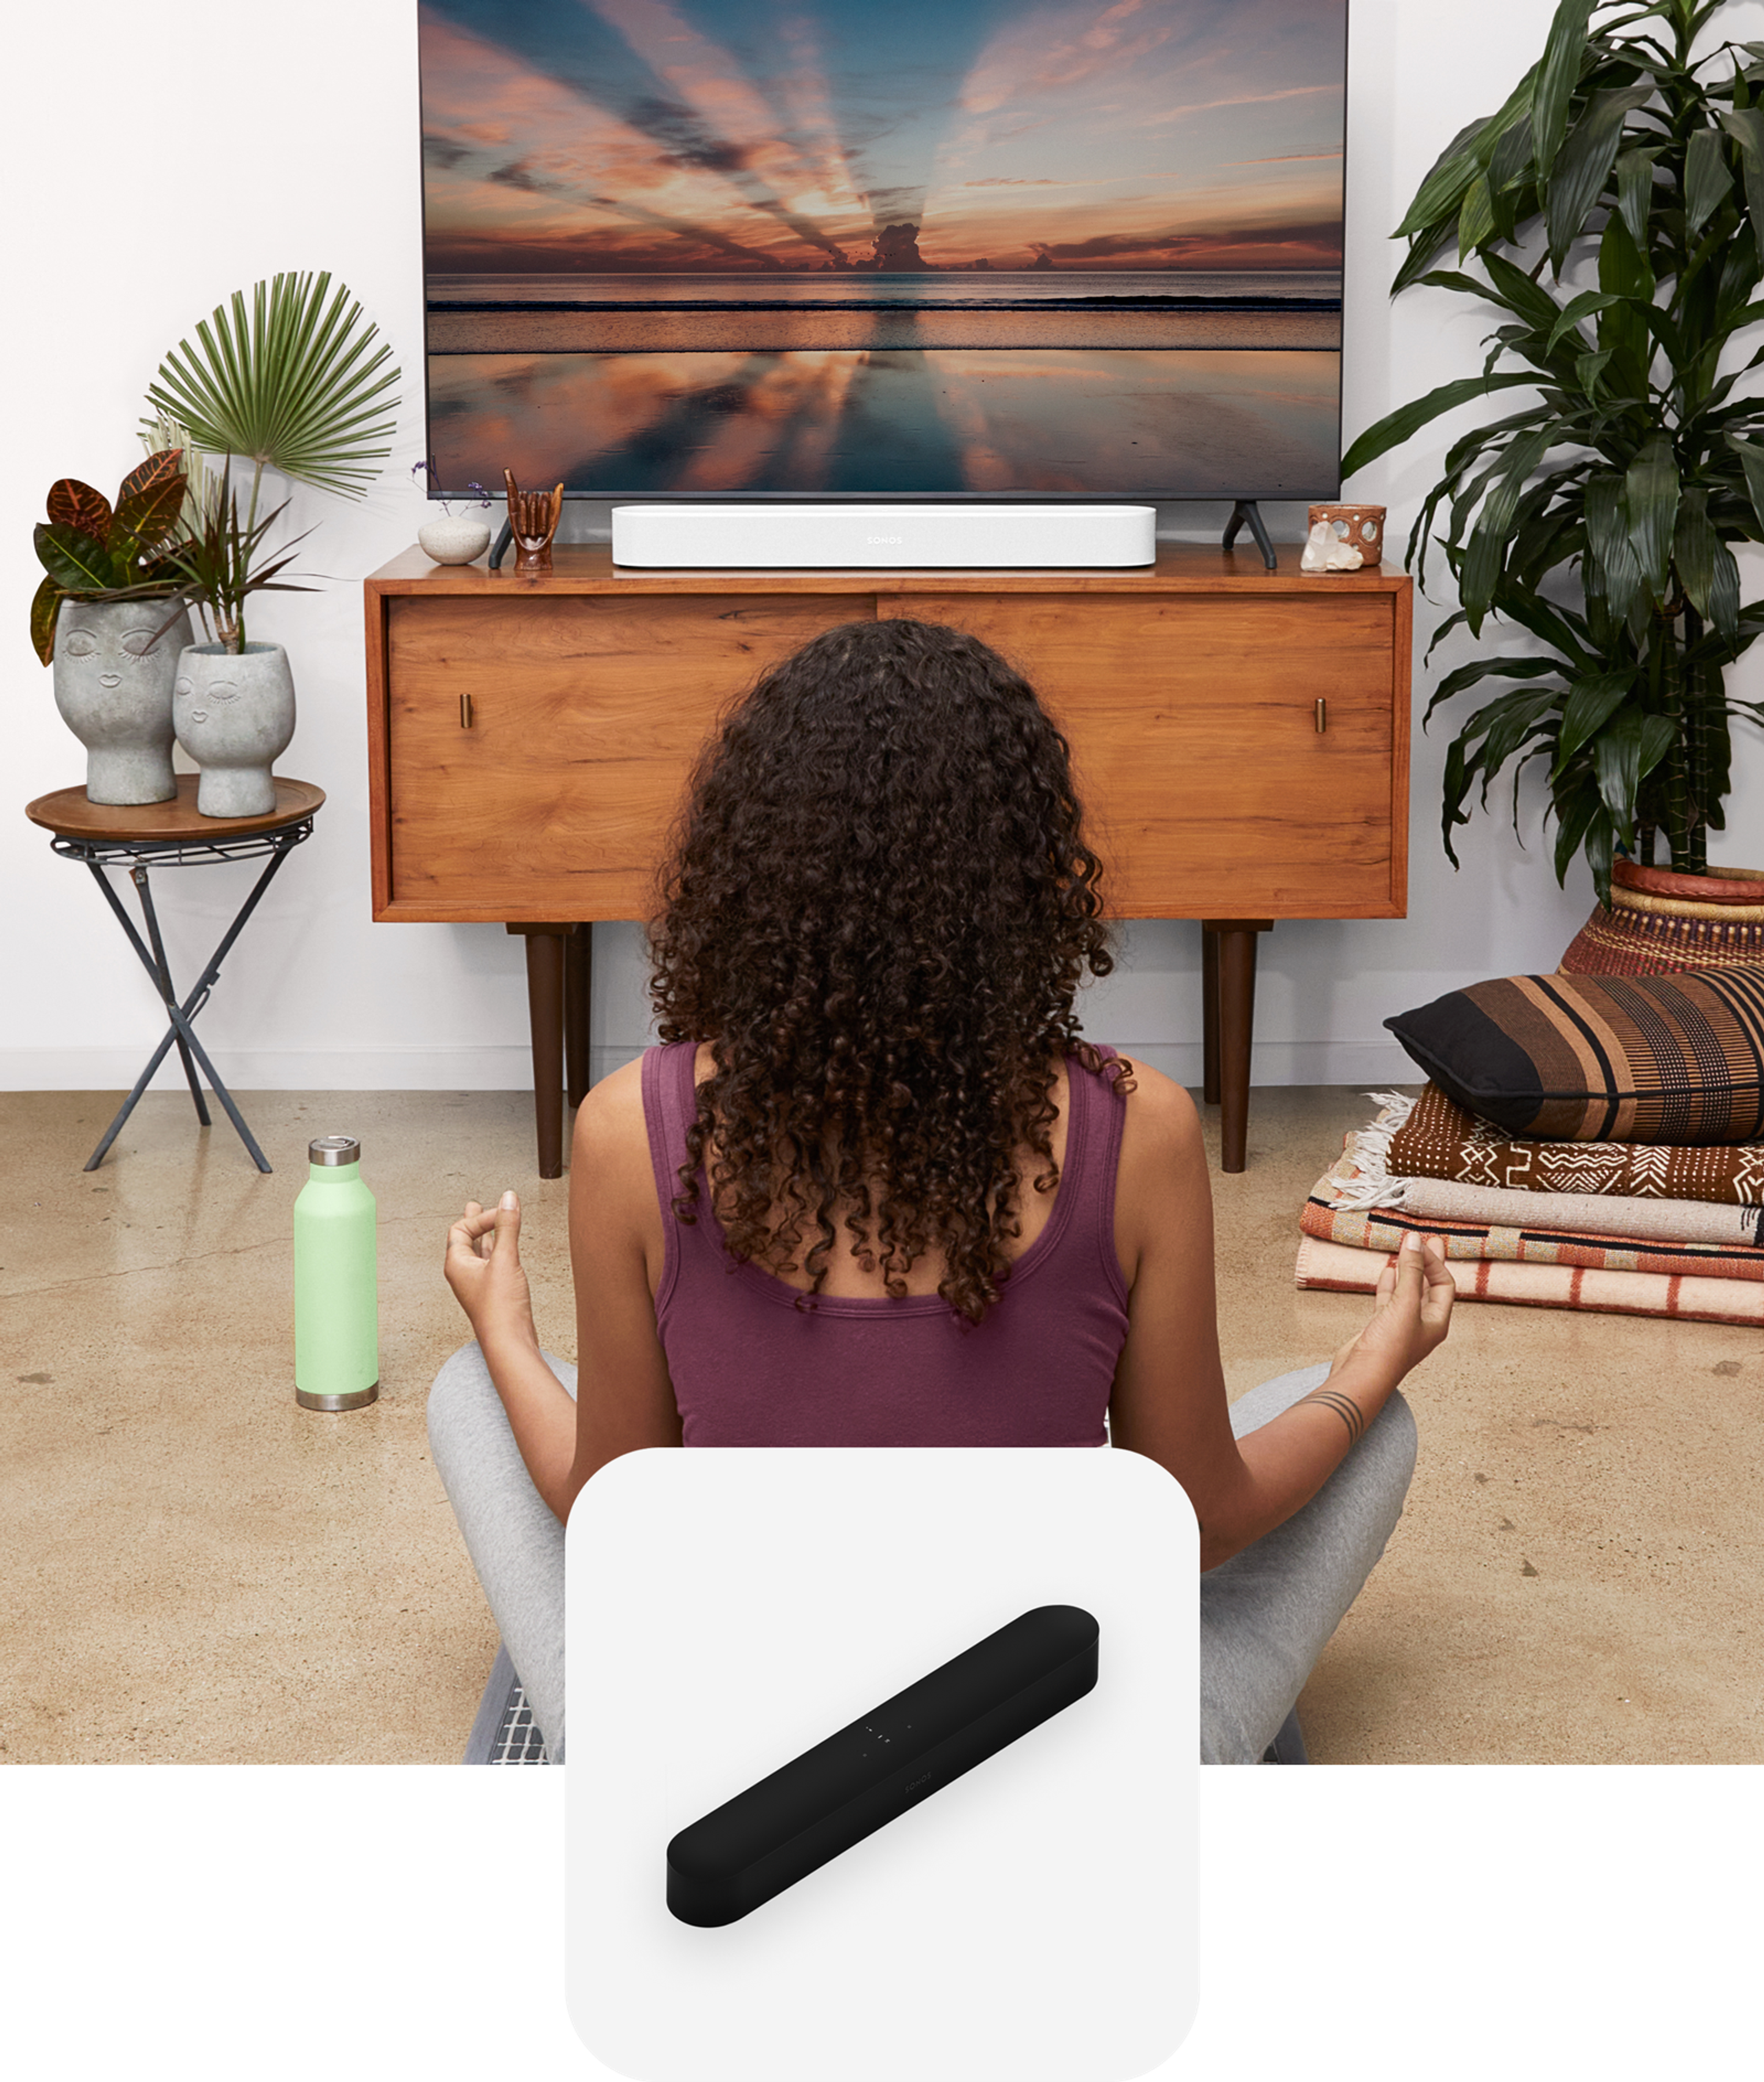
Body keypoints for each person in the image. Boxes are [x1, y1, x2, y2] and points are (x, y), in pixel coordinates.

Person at [430, 618, 1453, 1766]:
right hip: (1061, 1776)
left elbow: (614, 1515)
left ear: (749, 871)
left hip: (732, 1781)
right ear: (1025, 875)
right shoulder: (1144, 1130)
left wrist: (504, 1328)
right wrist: (1370, 1370)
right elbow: (1200, 1522)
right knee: (1350, 1417)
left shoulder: (628, 1130)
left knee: (477, 1390)